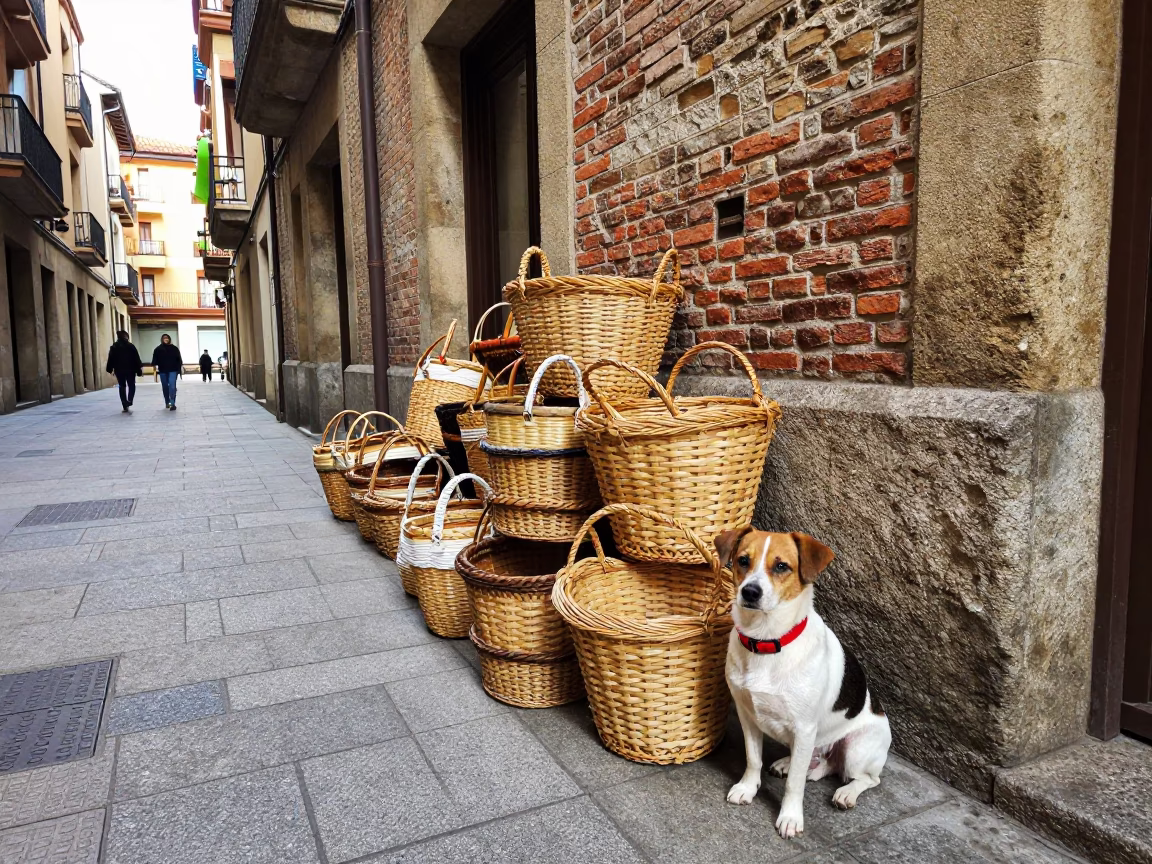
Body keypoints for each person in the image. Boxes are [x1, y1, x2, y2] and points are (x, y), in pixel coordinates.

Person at [105, 330, 143, 413]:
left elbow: (111, 358)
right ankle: (130, 400)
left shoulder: (114, 347)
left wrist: (109, 368)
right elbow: (136, 358)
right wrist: (139, 369)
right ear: (126, 336)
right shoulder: (131, 346)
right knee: (131, 385)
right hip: (130, 370)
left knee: (122, 386)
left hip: (119, 370)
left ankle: (124, 404)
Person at [151, 334, 183, 411]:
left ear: (169, 339)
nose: (166, 339)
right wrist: (155, 367)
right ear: (162, 339)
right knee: (165, 387)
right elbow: (154, 360)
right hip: (163, 370)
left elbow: (179, 360)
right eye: (164, 338)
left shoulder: (174, 349)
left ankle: (172, 403)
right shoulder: (158, 349)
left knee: (172, 386)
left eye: (167, 338)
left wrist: (179, 370)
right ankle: (167, 402)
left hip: (173, 370)